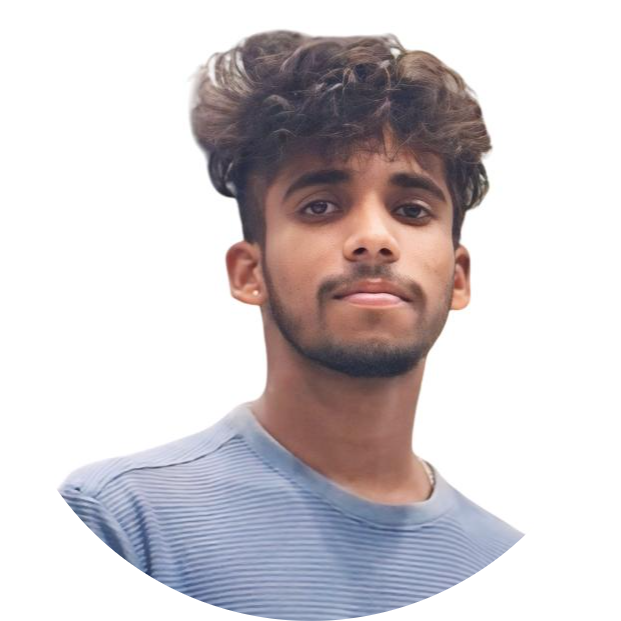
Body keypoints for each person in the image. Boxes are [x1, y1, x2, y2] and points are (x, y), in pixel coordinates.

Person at [58, 30, 524, 616]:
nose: (373, 239)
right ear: (249, 272)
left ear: (458, 278)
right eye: (320, 206)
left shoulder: (495, 553)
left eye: (411, 210)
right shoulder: (123, 520)